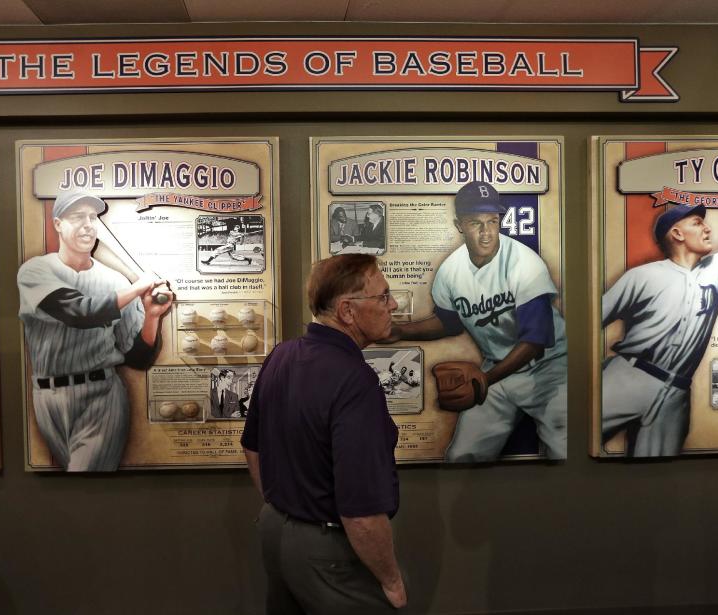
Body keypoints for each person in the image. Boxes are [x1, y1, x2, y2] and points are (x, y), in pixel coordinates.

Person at [241, 254, 406, 614]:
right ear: (348, 311)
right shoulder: (355, 381)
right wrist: (391, 579)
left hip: (277, 531)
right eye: (382, 296)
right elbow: (361, 512)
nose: (392, 304)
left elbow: (253, 449)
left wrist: (286, 508)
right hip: (328, 550)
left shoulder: (282, 355)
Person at [384, 181, 567, 462]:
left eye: (492, 221)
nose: (486, 233)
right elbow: (449, 323)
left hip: (550, 368)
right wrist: (401, 331)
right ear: (460, 226)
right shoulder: (450, 272)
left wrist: (484, 380)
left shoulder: (524, 263)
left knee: (563, 450)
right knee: (461, 456)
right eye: (475, 223)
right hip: (497, 369)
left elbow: (534, 341)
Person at [601, 203, 718, 456]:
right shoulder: (642, 276)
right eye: (697, 223)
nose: (707, 229)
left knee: (656, 478)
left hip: (676, 395)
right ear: (677, 234)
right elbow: (588, 323)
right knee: (566, 432)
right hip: (629, 376)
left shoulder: (717, 271)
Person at [17, 189, 172, 471]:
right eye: (77, 217)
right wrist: (138, 286)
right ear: (57, 224)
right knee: (78, 490)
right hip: (47, 399)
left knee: (84, 477)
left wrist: (151, 316)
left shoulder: (114, 280)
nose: (88, 224)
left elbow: (138, 358)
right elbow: (79, 312)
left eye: (93, 217)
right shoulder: (36, 271)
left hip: (100, 398)